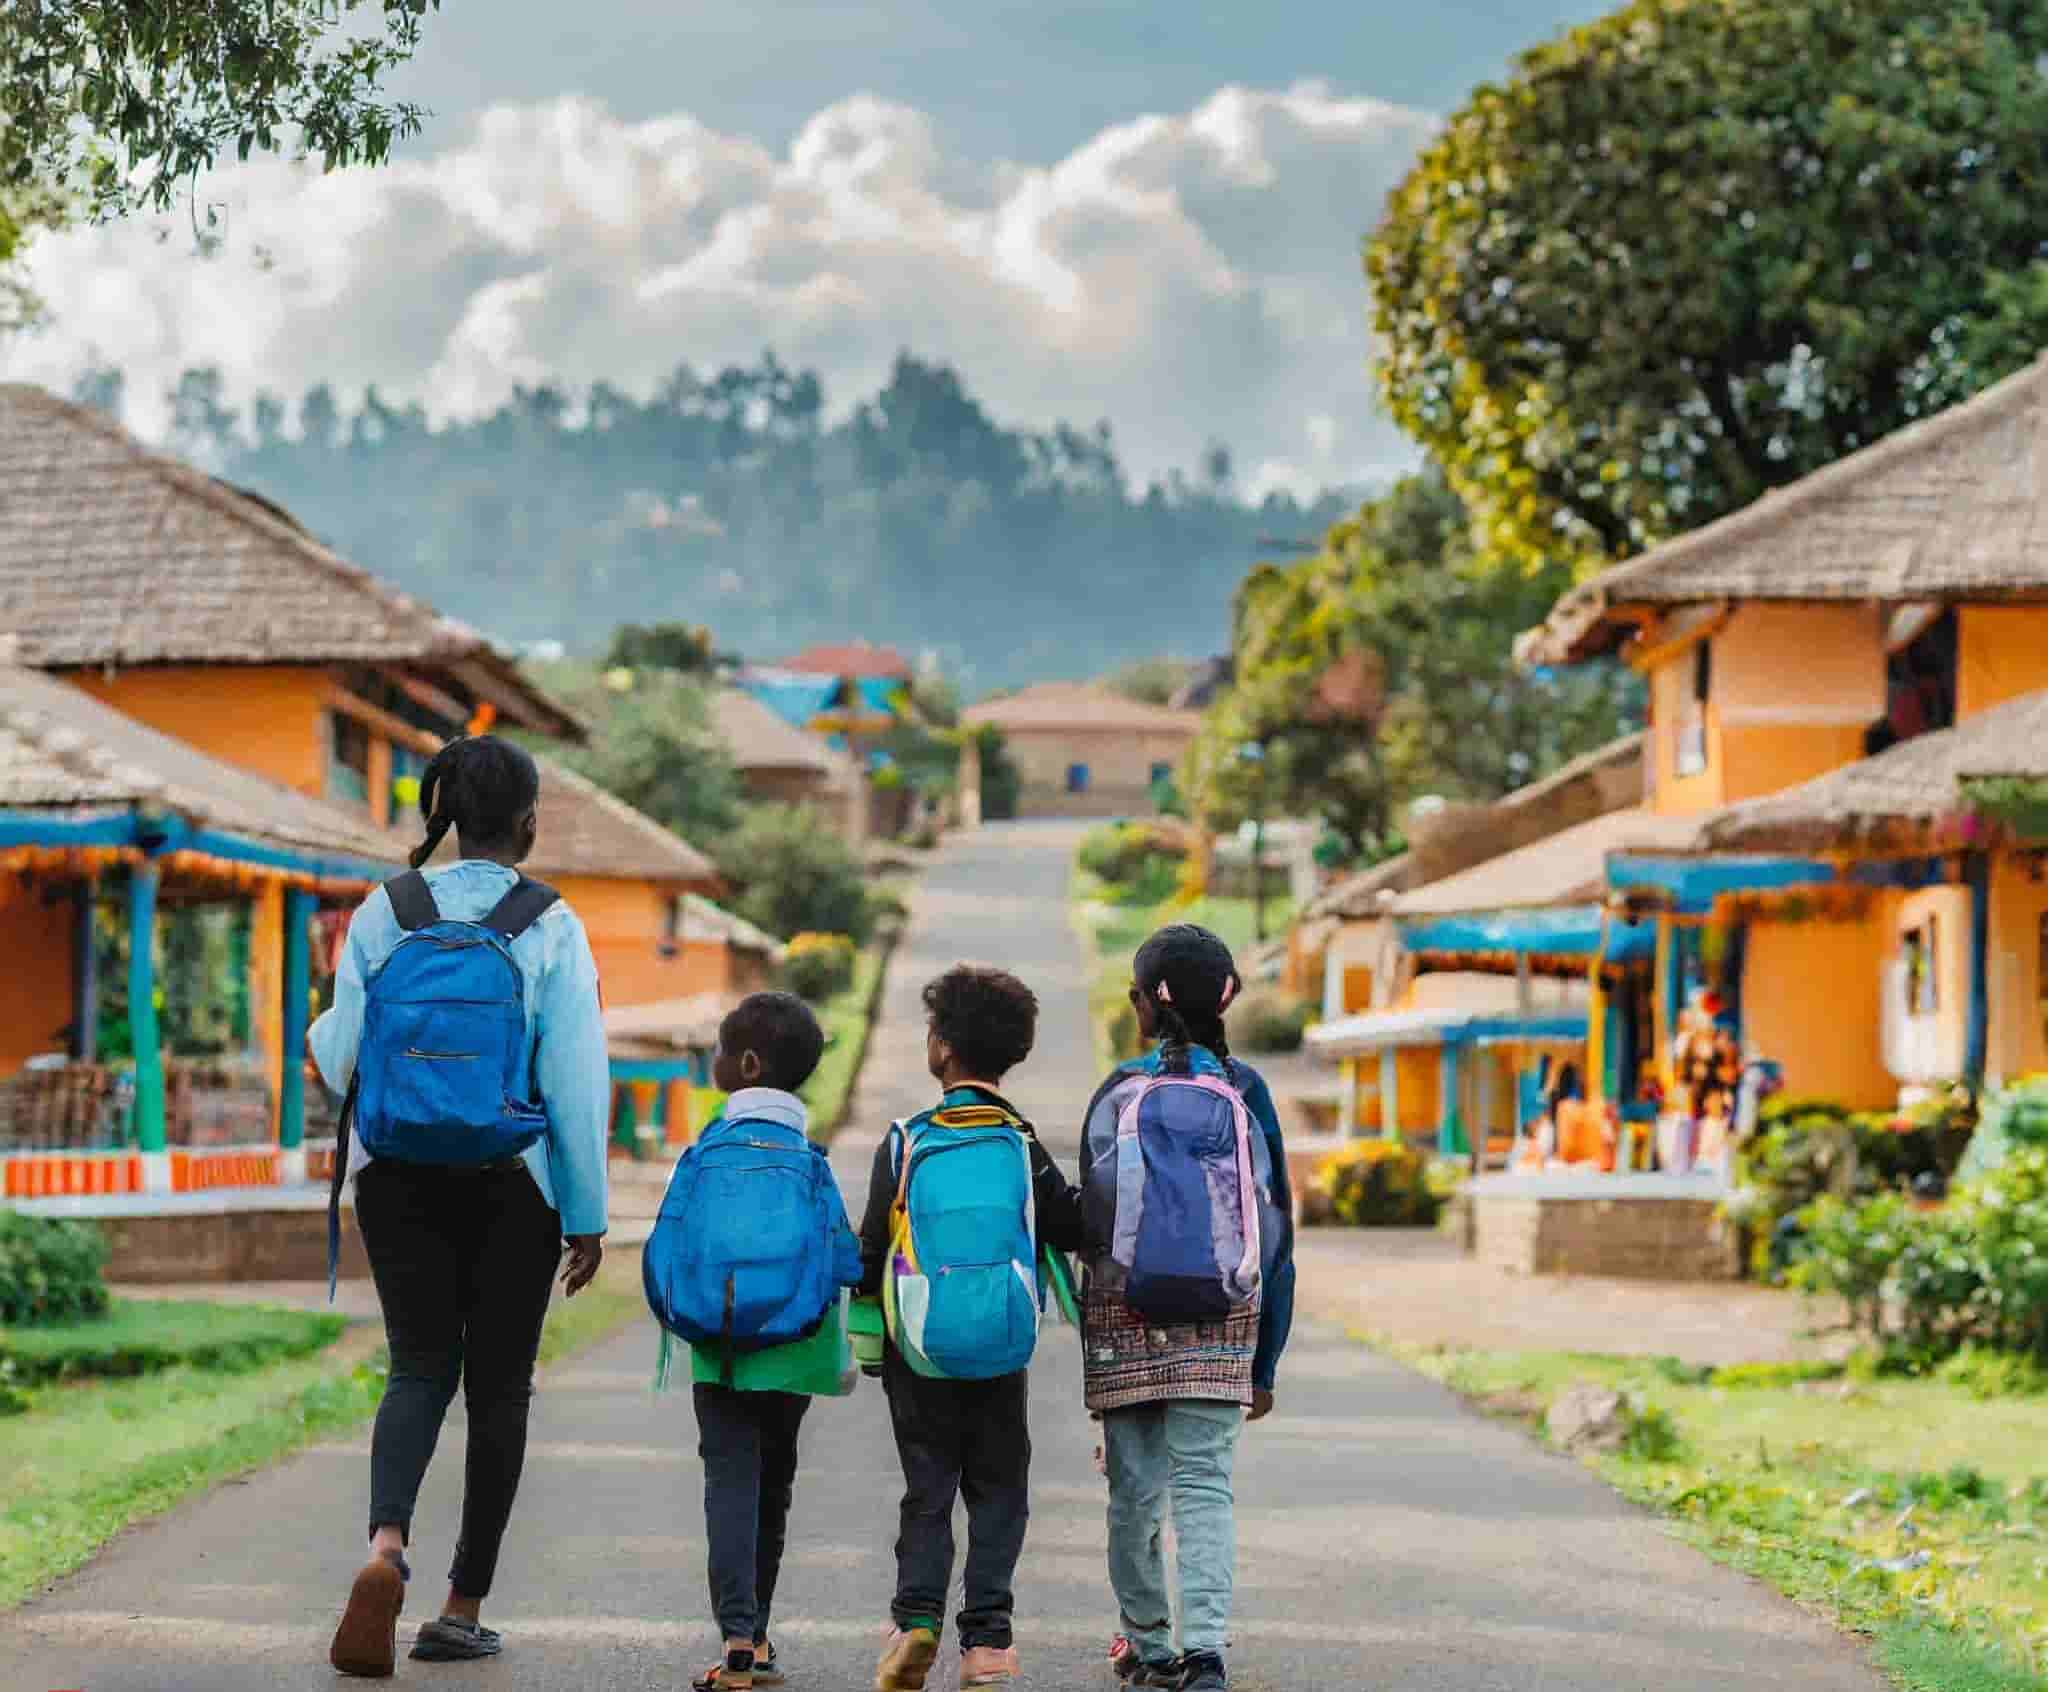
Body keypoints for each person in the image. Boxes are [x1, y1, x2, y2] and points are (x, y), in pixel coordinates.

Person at [311, 735, 610, 1676]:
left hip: (396, 1175)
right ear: (528, 821)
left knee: (417, 1369)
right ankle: (459, 1607)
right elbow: (573, 1077)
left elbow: (338, 1055)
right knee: (499, 1390)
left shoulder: (385, 912)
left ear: (445, 814)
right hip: (513, 1181)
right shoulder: (548, 923)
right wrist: (587, 1213)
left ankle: (385, 1547)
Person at [856, 966, 1087, 1692]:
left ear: (944, 1049)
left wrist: (872, 1342)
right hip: (999, 1349)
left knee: (928, 1486)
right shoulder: (1021, 1144)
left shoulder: (905, 1141)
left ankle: (915, 1619)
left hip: (916, 1348)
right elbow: (1074, 1224)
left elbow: (868, 1256)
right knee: (998, 1490)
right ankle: (987, 1643)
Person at [1079, 925, 1296, 1692]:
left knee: (1133, 1489)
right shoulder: (1247, 1091)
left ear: (1146, 1002)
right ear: (1227, 997)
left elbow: (1092, 1227)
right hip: (1223, 1317)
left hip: (1126, 1319)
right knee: (1204, 1483)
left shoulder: (1118, 1090)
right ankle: (1205, 1649)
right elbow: (1277, 1234)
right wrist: (1264, 1359)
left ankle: (1148, 1645)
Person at [680, 993, 863, 1692]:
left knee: (728, 1478)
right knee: (773, 1482)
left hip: (720, 1344)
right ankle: (757, 1638)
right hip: (794, 1349)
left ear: (748, 1064)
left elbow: (678, 1243)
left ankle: (731, 1638)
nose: (716, 1063)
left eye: (722, 1052)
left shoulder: (706, 1150)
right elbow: (843, 1257)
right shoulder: (811, 1162)